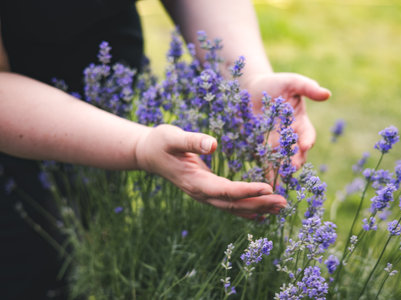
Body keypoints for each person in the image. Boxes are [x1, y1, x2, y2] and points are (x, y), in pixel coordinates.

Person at [0, 0, 330, 298]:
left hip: (103, 70)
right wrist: (139, 146)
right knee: (29, 264)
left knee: (84, 241)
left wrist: (248, 80)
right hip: (17, 120)